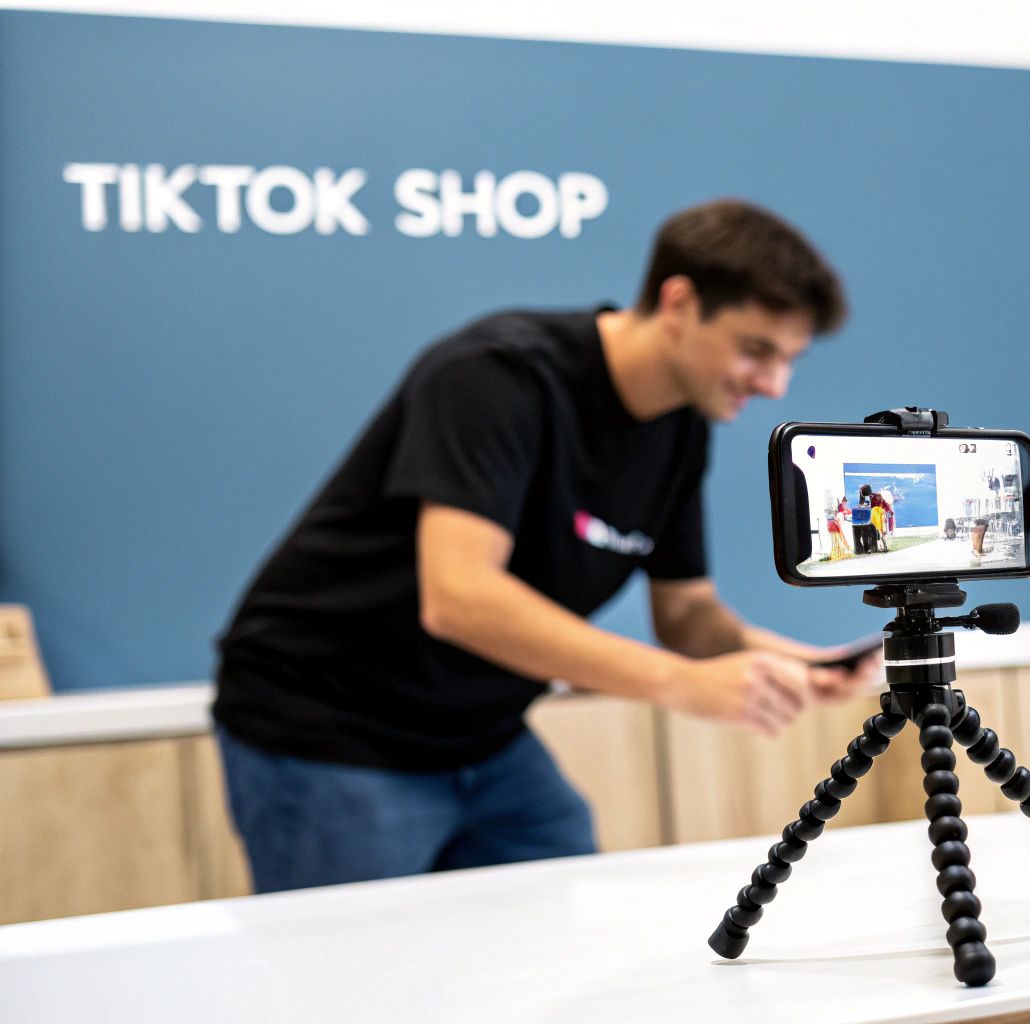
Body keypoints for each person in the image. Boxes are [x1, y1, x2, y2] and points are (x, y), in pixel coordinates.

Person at [211, 199, 879, 894]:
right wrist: (684, 685)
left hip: (483, 736)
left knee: (551, 950)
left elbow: (687, 616)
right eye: (755, 350)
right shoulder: (498, 375)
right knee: (355, 986)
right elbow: (461, 599)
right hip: (327, 725)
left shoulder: (681, 427)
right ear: (678, 302)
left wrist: (797, 662)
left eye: (789, 360)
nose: (773, 386)